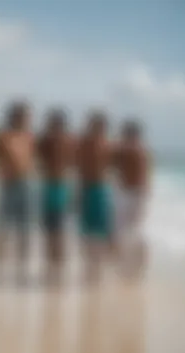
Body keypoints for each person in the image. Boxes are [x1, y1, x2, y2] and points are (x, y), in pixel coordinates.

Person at [0, 101, 35, 280]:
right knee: (3, 228)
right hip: (8, 185)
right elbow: (3, 157)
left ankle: (21, 269)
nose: (26, 119)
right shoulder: (5, 136)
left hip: (24, 184)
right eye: (23, 116)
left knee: (24, 229)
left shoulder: (29, 137)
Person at [76, 111, 114, 285]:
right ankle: (90, 268)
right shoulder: (85, 143)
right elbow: (80, 167)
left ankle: (98, 269)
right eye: (96, 125)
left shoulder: (107, 144)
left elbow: (111, 168)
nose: (99, 128)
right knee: (87, 230)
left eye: (101, 125)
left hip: (101, 188)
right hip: (88, 188)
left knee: (101, 230)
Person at [37, 109, 74, 281]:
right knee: (50, 228)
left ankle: (57, 267)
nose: (54, 126)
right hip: (49, 186)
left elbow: (73, 164)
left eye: (56, 122)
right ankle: (51, 267)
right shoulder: (46, 140)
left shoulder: (67, 141)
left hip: (60, 186)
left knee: (58, 229)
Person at [113, 120, 150, 279]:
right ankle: (133, 265)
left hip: (132, 193)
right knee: (130, 230)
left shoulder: (134, 150)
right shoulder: (140, 150)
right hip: (132, 193)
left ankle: (134, 265)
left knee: (128, 230)